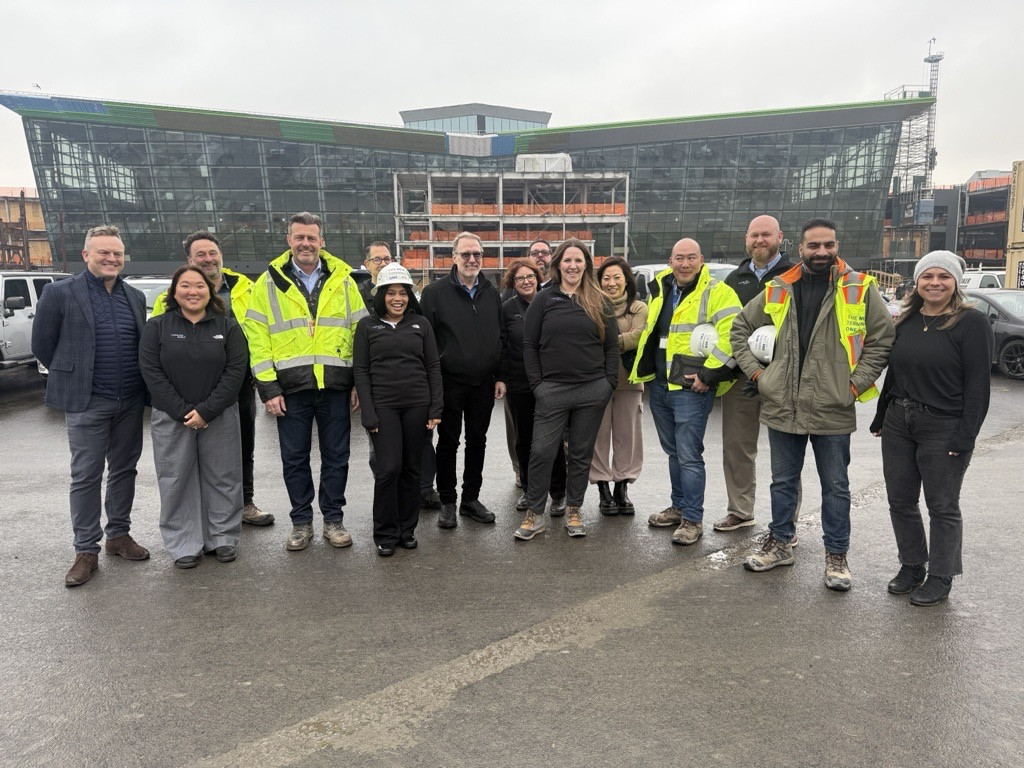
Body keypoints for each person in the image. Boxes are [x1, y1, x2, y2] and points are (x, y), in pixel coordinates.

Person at [732, 218, 894, 591]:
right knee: (782, 483)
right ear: (800, 248)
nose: (822, 252)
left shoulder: (860, 288)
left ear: (836, 246)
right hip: (783, 404)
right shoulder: (779, 287)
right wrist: (759, 377)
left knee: (835, 486)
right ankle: (780, 543)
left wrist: (852, 387)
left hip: (832, 407)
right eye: (814, 246)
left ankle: (836, 555)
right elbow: (740, 328)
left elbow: (882, 340)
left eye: (828, 245)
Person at [870, 251, 992, 606]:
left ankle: (941, 574)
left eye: (943, 276)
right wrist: (881, 416)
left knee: (942, 505)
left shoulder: (971, 324)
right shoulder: (907, 320)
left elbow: (978, 387)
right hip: (899, 422)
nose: (934, 282)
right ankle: (912, 565)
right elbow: (895, 373)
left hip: (944, 426)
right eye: (927, 276)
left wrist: (965, 436)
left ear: (955, 283)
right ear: (917, 281)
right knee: (900, 500)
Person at [31, 224, 151, 586]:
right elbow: (43, 345)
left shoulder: (133, 296)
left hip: (130, 399)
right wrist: (74, 375)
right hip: (87, 402)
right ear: (87, 255)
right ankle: (85, 550)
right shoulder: (59, 292)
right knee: (85, 475)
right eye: (104, 252)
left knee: (125, 470)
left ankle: (118, 535)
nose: (112, 258)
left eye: (117, 253)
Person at [243, 212, 366, 552]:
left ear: (322, 241)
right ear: (289, 241)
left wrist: (358, 381)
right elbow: (258, 337)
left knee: (337, 456)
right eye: (300, 237)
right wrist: (268, 387)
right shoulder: (267, 283)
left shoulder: (343, 280)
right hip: (289, 388)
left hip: (335, 385)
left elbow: (360, 333)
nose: (306, 243)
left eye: (312, 237)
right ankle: (301, 523)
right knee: (294, 458)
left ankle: (333, 520)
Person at [151, 231, 272, 526]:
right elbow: (157, 344)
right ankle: (202, 509)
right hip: (189, 388)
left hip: (238, 384)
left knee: (242, 446)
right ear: (190, 260)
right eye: (200, 255)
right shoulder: (168, 297)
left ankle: (244, 503)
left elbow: (262, 331)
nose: (208, 259)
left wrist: (261, 370)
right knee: (186, 452)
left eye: (212, 253)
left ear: (221, 255)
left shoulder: (247, 288)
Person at [629, 239, 742, 545]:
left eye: (691, 258)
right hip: (662, 385)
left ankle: (693, 518)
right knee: (674, 453)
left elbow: (734, 335)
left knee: (689, 454)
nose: (685, 264)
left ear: (701, 259)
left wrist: (709, 374)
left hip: (692, 387)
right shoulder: (662, 289)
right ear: (671, 261)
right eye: (679, 258)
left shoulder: (718, 292)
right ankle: (679, 507)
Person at [141, 266, 248, 568]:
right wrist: (182, 410)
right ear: (174, 292)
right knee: (176, 478)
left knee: (224, 476)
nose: (193, 291)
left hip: (219, 415)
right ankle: (184, 542)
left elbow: (235, 372)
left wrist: (207, 410)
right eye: (185, 286)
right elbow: (151, 372)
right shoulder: (157, 327)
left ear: (209, 291)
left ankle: (223, 538)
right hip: (172, 416)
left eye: (199, 286)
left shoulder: (226, 327)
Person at [515, 239, 618, 540]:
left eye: (579, 260)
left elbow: (611, 345)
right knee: (541, 452)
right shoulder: (544, 299)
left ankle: (574, 510)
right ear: (558, 264)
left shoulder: (599, 300)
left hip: (592, 390)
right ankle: (535, 514)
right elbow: (529, 345)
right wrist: (538, 386)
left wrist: (607, 383)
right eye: (567, 260)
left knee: (581, 453)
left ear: (586, 264)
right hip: (552, 391)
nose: (573, 266)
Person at [715, 215, 797, 535]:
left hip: (783, 376)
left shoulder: (796, 276)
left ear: (780, 236)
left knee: (786, 452)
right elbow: (726, 328)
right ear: (745, 239)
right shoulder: (734, 279)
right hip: (741, 375)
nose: (759, 240)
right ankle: (740, 510)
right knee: (737, 445)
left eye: (766, 235)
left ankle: (785, 520)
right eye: (753, 235)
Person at [353, 263, 443, 556]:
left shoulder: (421, 324)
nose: (397, 299)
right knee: (388, 468)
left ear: (409, 296)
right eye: (391, 293)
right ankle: (385, 533)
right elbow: (362, 371)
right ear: (381, 295)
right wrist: (368, 413)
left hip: (417, 405)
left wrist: (435, 407)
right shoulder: (368, 326)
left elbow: (432, 367)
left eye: (402, 293)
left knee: (411, 469)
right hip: (384, 407)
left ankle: (407, 530)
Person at [420, 232, 504, 529]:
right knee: (448, 442)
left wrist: (500, 376)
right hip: (448, 382)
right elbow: (424, 342)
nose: (472, 260)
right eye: (466, 254)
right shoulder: (435, 293)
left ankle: (470, 499)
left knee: (477, 442)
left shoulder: (491, 292)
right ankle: (446, 501)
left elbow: (501, 336)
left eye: (477, 254)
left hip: (483, 382)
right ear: (453, 257)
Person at [497, 259, 567, 517]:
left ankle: (559, 493)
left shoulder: (553, 301)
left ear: (538, 278)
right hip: (520, 384)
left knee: (553, 440)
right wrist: (501, 377)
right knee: (524, 440)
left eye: (530, 276)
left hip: (551, 383)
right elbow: (502, 346)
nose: (525, 281)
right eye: (519, 278)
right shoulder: (507, 309)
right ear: (512, 284)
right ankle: (529, 489)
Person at [589, 257, 648, 514]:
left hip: (629, 382)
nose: (611, 283)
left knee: (628, 436)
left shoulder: (638, 307)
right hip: (597, 381)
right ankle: (602, 487)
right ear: (598, 281)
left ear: (626, 280)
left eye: (617, 277)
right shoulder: (591, 306)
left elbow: (639, 336)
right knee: (598, 436)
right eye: (606, 278)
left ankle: (622, 486)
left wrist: (606, 342)